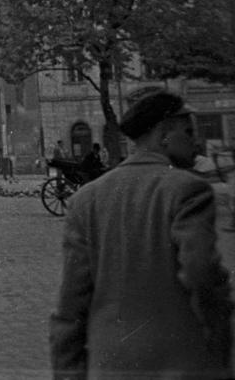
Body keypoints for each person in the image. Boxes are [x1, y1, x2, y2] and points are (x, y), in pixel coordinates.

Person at [50, 90, 232, 379]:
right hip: (180, 365)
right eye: (188, 132)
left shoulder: (86, 199)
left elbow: (70, 305)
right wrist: (220, 341)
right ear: (163, 136)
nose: (196, 142)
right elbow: (201, 271)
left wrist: (68, 373)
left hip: (109, 368)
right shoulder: (188, 189)